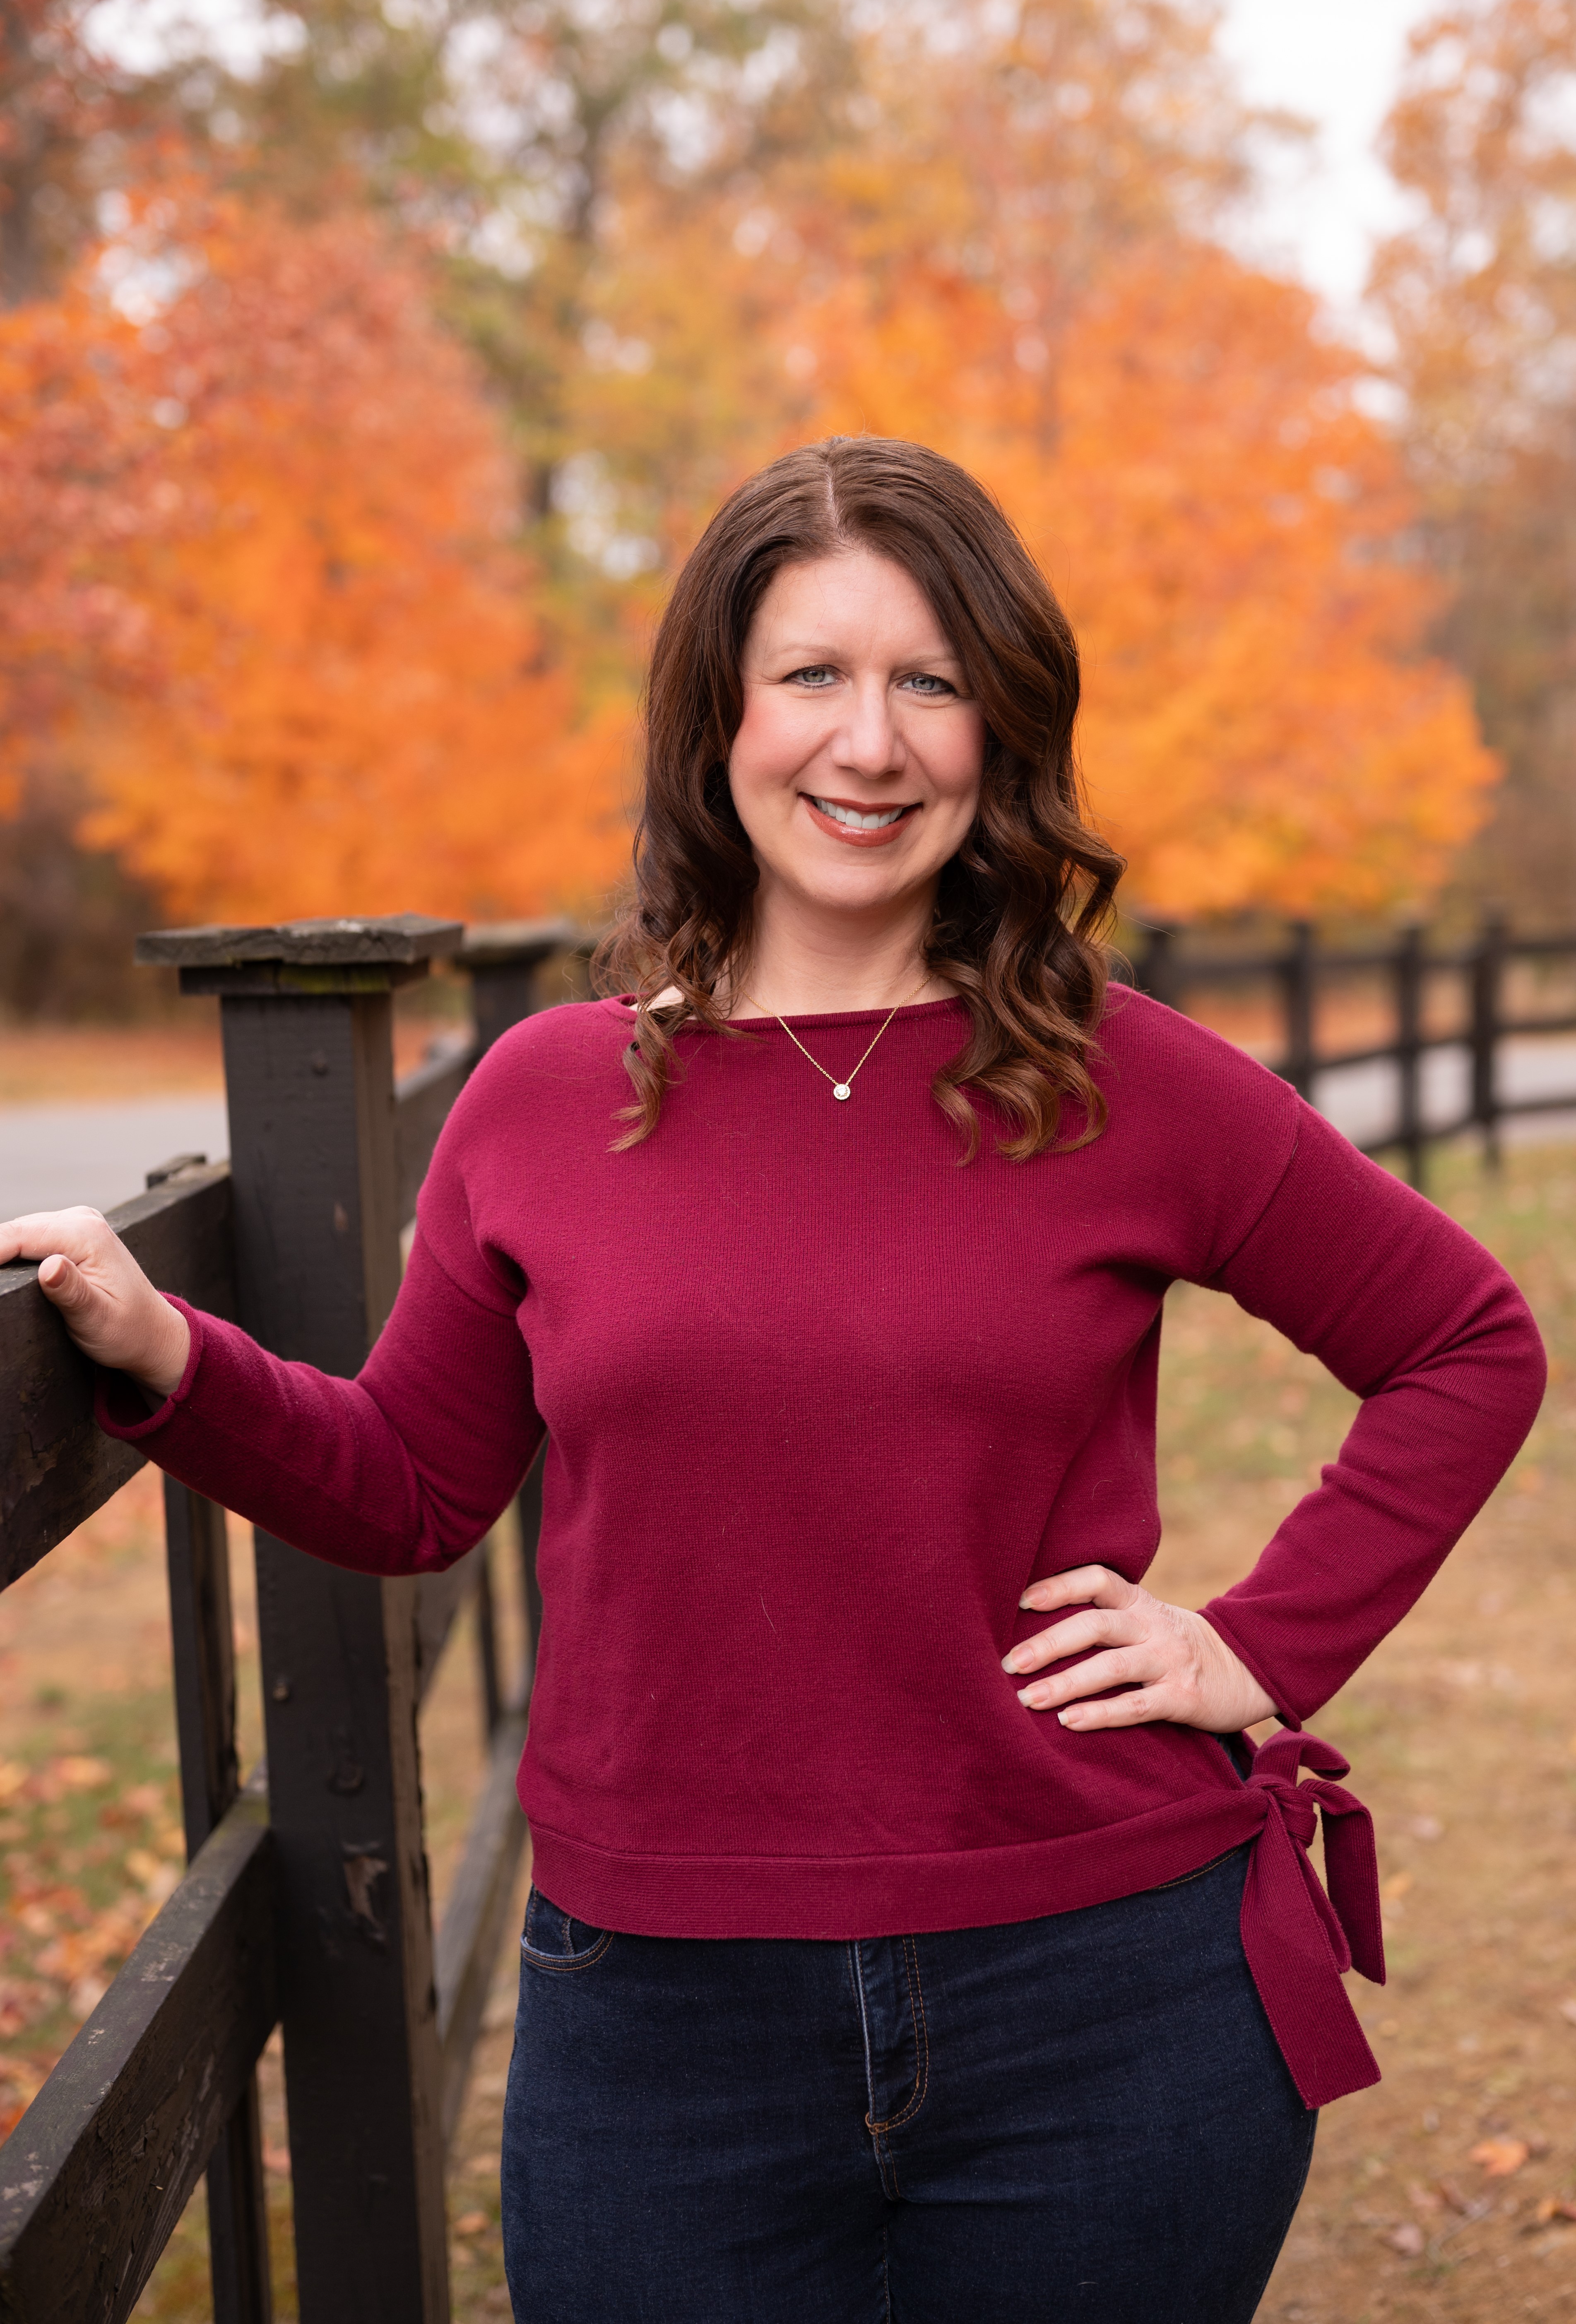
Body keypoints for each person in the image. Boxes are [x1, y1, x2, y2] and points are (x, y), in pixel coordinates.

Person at [1, 436, 1546, 2323]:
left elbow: (1464, 1341)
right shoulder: (547, 1099)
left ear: (999, 728)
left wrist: (1261, 1647)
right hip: (657, 2022)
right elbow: (412, 1486)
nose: (869, 744)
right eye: (811, 676)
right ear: (715, 721)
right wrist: (166, 1353)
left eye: (931, 681)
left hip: (1103, 2000)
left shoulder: (1118, 1079)